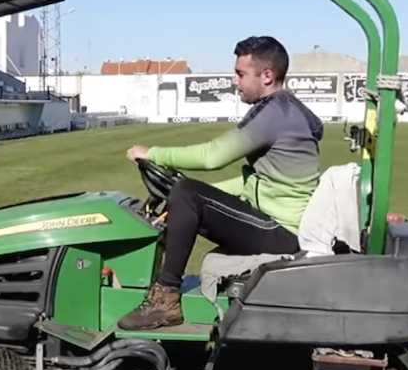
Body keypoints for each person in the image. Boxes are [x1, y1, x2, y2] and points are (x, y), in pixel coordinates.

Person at [117, 35, 325, 330]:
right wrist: (188, 197)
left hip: (283, 232)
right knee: (185, 194)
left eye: (241, 74)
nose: (235, 81)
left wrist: (152, 154)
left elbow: (213, 156)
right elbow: (254, 182)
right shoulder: (282, 109)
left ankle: (166, 298)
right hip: (277, 223)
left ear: (266, 76)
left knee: (187, 194)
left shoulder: (277, 113)